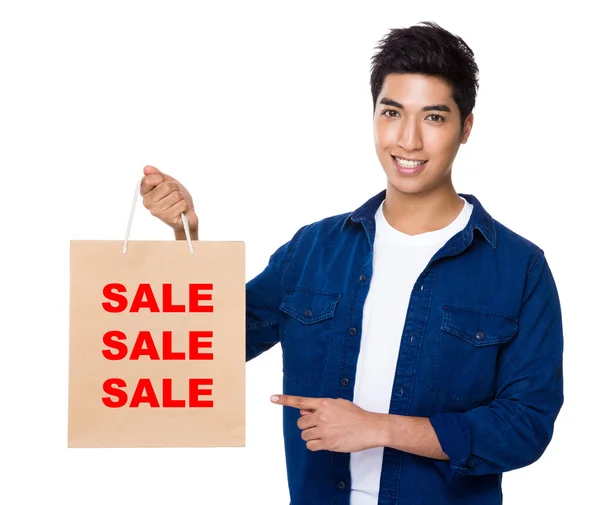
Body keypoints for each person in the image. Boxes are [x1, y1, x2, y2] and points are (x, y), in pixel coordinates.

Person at [140, 21, 563, 505]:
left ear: (465, 127)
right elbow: (210, 348)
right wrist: (185, 235)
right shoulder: (313, 250)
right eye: (392, 112)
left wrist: (378, 428)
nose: (408, 140)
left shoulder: (519, 268)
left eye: (434, 117)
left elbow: (525, 427)